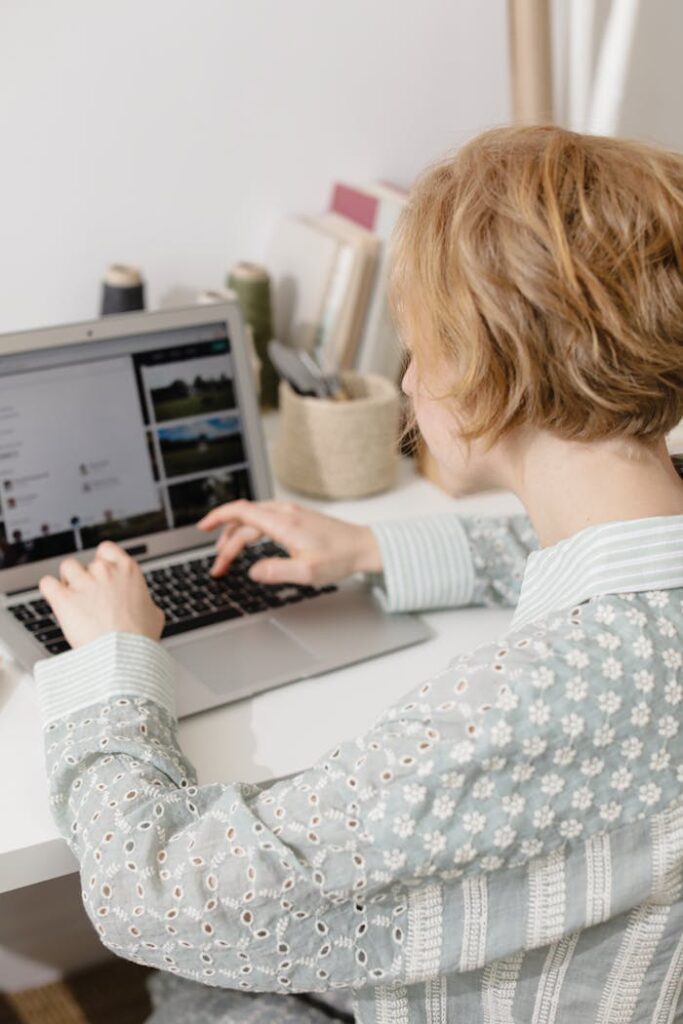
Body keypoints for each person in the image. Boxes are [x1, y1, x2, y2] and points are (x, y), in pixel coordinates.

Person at [35, 126, 683, 1023]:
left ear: (484, 364)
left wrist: (110, 668)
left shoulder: (519, 710)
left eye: (415, 349)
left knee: (195, 989)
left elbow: (154, 898)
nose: (410, 383)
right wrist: (374, 549)